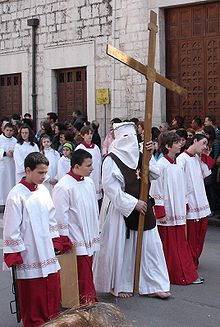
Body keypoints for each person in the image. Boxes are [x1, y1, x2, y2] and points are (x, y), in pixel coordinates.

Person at [93, 122, 170, 299]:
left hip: (144, 207)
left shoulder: (141, 155)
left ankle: (153, 284)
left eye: (133, 137)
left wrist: (149, 157)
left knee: (150, 246)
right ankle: (122, 284)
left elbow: (155, 173)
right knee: (124, 250)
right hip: (123, 211)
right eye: (126, 137)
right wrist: (132, 203)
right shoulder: (111, 159)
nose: (131, 142)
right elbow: (111, 189)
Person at [3, 152, 62, 327]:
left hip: (46, 249)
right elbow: (11, 228)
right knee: (33, 292)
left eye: (45, 173)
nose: (44, 177)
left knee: (50, 287)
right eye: (40, 173)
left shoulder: (44, 190)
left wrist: (55, 240)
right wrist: (14, 253)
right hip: (29, 253)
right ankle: (34, 321)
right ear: (28, 170)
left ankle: (52, 318)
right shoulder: (16, 195)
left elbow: (52, 217)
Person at [150, 132, 202, 285]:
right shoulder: (161, 165)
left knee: (180, 242)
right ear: (167, 146)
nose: (180, 144)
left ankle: (185, 272)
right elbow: (156, 188)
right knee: (169, 244)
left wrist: (185, 202)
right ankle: (174, 274)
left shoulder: (177, 164)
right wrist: (159, 208)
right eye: (176, 142)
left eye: (180, 142)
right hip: (167, 210)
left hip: (178, 209)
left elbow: (184, 186)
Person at [53, 149, 100, 305]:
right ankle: (83, 300)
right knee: (80, 269)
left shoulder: (89, 182)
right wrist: (64, 237)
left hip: (89, 231)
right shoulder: (63, 186)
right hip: (75, 233)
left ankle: (88, 298)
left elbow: (93, 207)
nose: (92, 168)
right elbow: (60, 214)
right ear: (76, 166)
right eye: (89, 165)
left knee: (88, 266)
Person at [176, 134, 215, 268]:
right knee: (191, 237)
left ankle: (195, 259)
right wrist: (184, 201)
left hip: (201, 201)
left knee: (201, 235)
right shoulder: (181, 159)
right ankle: (190, 261)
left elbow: (205, 174)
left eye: (206, 144)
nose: (205, 147)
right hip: (191, 202)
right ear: (194, 141)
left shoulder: (198, 158)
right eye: (203, 143)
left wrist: (205, 156)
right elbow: (180, 183)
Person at [75, 126, 102, 202]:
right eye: (87, 134)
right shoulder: (80, 148)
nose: (90, 136)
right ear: (83, 135)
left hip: (96, 176)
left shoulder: (96, 148)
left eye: (91, 134)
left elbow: (99, 163)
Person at [0, 122, 17, 205]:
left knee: (11, 184)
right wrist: (4, 153)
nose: (9, 132)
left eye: (11, 130)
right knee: (2, 185)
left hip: (12, 166)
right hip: (2, 166)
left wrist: (14, 153)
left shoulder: (15, 140)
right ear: (3, 130)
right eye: (7, 130)